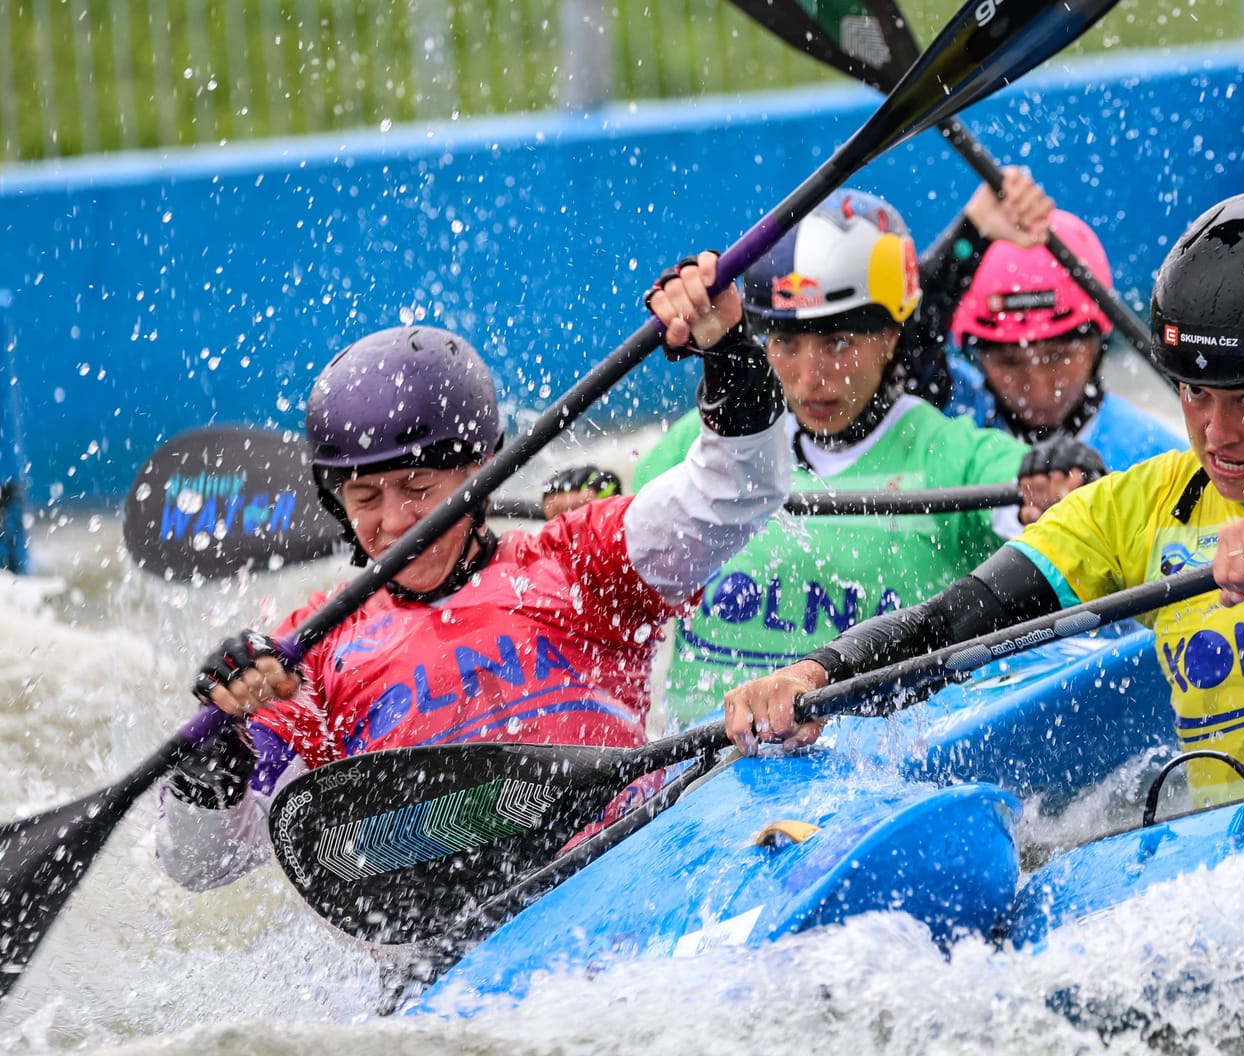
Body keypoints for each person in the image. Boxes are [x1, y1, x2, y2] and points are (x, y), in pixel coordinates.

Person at [719, 191, 1244, 806]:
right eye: (1194, 396)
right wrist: (818, 672)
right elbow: (951, 621)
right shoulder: (1139, 507)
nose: (1215, 433)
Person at [156, 254, 789, 890]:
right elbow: (202, 868)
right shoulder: (309, 655)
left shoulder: (577, 562)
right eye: (366, 499)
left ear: (482, 470)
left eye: (417, 487)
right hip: (437, 955)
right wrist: (217, 765)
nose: (397, 521)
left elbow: (737, 490)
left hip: (623, 886)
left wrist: (727, 348)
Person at [628, 186, 1106, 728]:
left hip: (875, 789)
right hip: (694, 779)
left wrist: (1060, 487)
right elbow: (603, 549)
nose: (810, 378)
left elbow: (1066, 519)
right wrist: (585, 496)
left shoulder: (959, 456)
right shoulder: (707, 445)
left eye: (837, 343)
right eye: (785, 343)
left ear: (891, 335)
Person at [944, 208, 1185, 469]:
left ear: (1099, 344)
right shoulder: (943, 418)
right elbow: (906, 342)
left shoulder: (1165, 464)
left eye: (1057, 356)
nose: (1039, 390)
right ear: (975, 357)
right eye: (1009, 362)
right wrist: (969, 229)